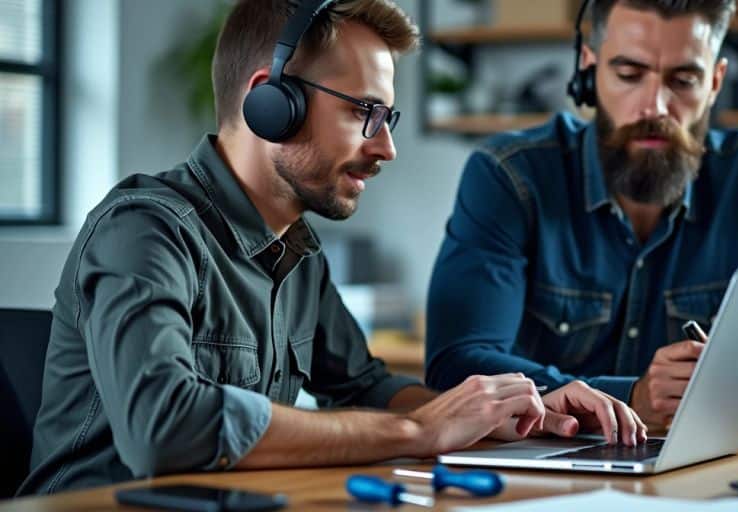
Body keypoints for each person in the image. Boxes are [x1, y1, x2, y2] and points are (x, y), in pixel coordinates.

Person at [19, 0, 644, 496]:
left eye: (388, 118)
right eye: (366, 112)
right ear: (271, 102)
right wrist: (416, 430)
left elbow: (366, 386)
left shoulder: (298, 254)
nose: (385, 148)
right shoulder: (145, 230)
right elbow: (165, 426)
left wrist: (488, 418)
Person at [426, 0, 738, 437]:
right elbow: (458, 363)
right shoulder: (509, 175)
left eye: (683, 80)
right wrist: (633, 397)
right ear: (589, 68)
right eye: (629, 74)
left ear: (715, 81)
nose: (655, 107)